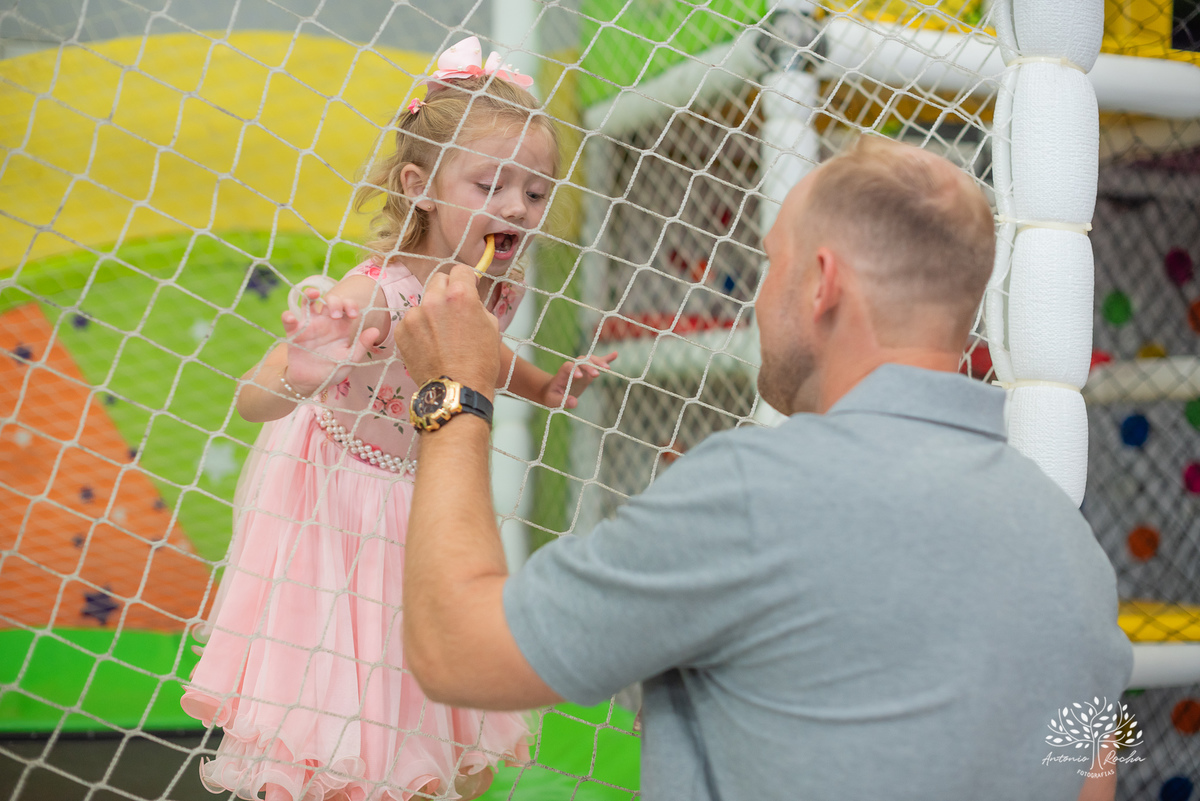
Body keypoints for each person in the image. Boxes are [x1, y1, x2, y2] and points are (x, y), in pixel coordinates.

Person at [393, 136, 1133, 801]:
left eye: (773, 262)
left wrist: (454, 391)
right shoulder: (1073, 549)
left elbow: (454, 649)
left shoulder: (752, 494)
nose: (760, 298)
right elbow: (1090, 773)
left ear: (821, 282)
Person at [180, 36, 614, 801]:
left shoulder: (495, 285)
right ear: (420, 187)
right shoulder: (378, 290)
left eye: (537, 191)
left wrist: (544, 383)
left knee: (442, 715)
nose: (517, 207)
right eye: (492, 184)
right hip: (345, 511)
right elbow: (253, 400)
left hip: (424, 496)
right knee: (352, 716)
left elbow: (480, 354)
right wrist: (316, 358)